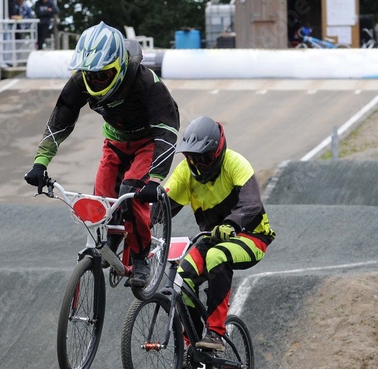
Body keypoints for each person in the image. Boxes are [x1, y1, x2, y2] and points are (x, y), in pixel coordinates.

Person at [24, 21, 180, 288]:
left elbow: (167, 130)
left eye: (103, 74)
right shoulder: (81, 81)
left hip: (148, 142)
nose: (95, 80)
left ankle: (141, 258)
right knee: (102, 200)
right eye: (90, 74)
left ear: (119, 66)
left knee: (132, 192)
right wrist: (40, 163)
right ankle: (110, 241)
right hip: (116, 143)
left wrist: (155, 180)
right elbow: (60, 121)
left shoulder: (146, 82)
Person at [163, 116, 275, 351]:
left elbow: (252, 203)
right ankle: (189, 343)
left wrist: (232, 224)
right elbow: (161, 208)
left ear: (216, 153)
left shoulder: (236, 163)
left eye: (202, 159)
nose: (196, 164)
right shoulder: (184, 172)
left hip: (251, 236)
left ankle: (214, 333)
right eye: (191, 158)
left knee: (217, 256)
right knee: (181, 277)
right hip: (211, 239)